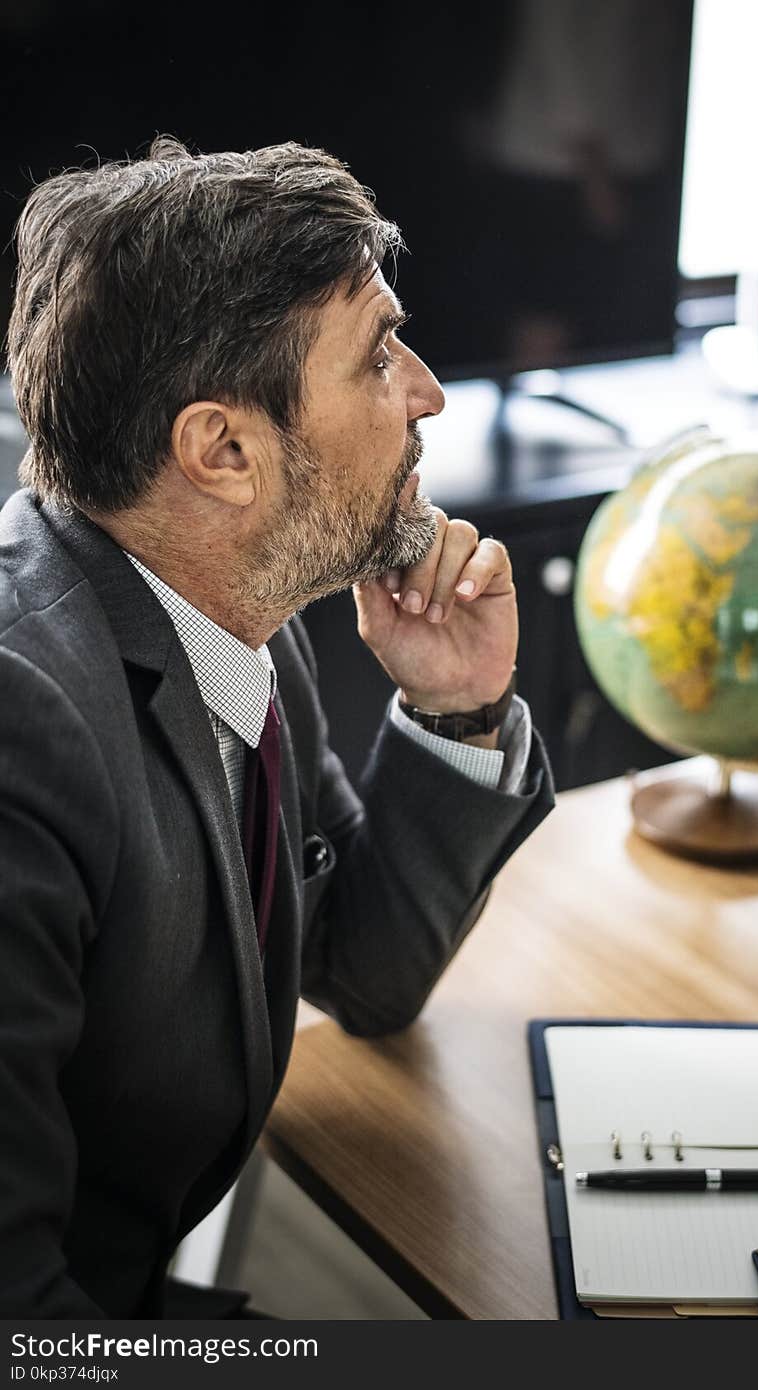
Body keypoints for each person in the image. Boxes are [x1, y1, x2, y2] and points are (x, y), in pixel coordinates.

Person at [0, 136, 555, 1317]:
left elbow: (359, 965)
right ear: (224, 451)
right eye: (377, 355)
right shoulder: (20, 731)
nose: (427, 392)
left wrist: (452, 706)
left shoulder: (232, 606)